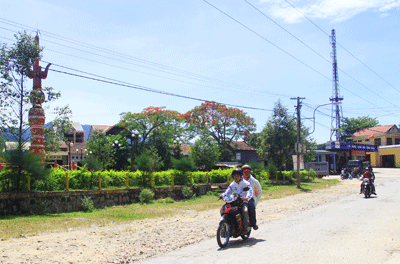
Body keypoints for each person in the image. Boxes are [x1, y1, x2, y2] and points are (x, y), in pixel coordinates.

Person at [242, 164, 262, 230]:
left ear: (250, 172)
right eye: (245, 171)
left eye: (247, 171)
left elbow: (259, 192)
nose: (246, 173)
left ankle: (253, 224)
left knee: (251, 207)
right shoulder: (239, 180)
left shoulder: (254, 181)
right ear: (242, 172)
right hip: (240, 198)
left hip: (250, 199)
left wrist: (255, 200)